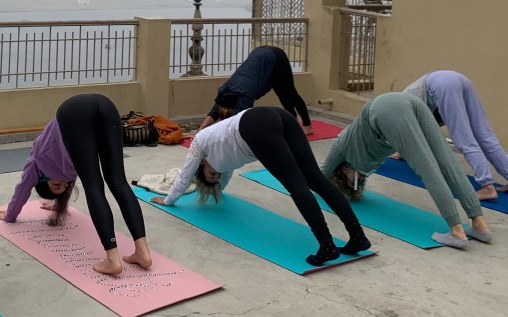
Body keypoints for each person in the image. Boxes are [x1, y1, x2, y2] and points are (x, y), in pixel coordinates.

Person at [150, 106, 371, 267]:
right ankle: (357, 236)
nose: (216, 174)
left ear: (202, 164)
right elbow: (222, 182)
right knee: (314, 179)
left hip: (256, 125)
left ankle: (327, 245)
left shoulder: (198, 145)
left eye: (210, 173)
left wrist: (169, 200)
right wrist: (216, 186)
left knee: (297, 185)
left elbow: (185, 173)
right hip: (273, 116)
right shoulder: (221, 159)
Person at [0, 93, 152, 276]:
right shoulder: (67, 172)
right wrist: (58, 203)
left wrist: (10, 215)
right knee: (118, 182)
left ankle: (112, 259)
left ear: (43, 181)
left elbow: (22, 189)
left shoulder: (36, 163)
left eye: (56, 186)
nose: (63, 184)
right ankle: (143, 253)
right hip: (104, 104)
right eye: (62, 188)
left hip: (73, 113)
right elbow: (65, 184)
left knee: (96, 186)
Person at [321, 92, 494, 249]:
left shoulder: (342, 145)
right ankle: (480, 226)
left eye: (352, 182)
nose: (360, 180)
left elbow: (320, 174)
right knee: (446, 162)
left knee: (429, 168)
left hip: (385, 108)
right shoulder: (366, 165)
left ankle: (457, 231)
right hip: (406, 103)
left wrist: (299, 184)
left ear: (343, 170)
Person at [404, 71, 508, 200]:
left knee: (464, 139)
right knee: (485, 136)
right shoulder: (407, 101)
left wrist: (399, 150)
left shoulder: (399, 111)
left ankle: (487, 187)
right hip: (458, 78)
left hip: (441, 84)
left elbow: (406, 134)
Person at [197, 46, 312, 136]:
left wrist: (212, 134)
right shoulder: (224, 91)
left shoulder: (244, 97)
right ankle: (294, 124)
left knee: (290, 93)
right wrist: (203, 128)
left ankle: (307, 126)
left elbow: (235, 123)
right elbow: (215, 109)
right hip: (261, 56)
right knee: (281, 93)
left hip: (276, 57)